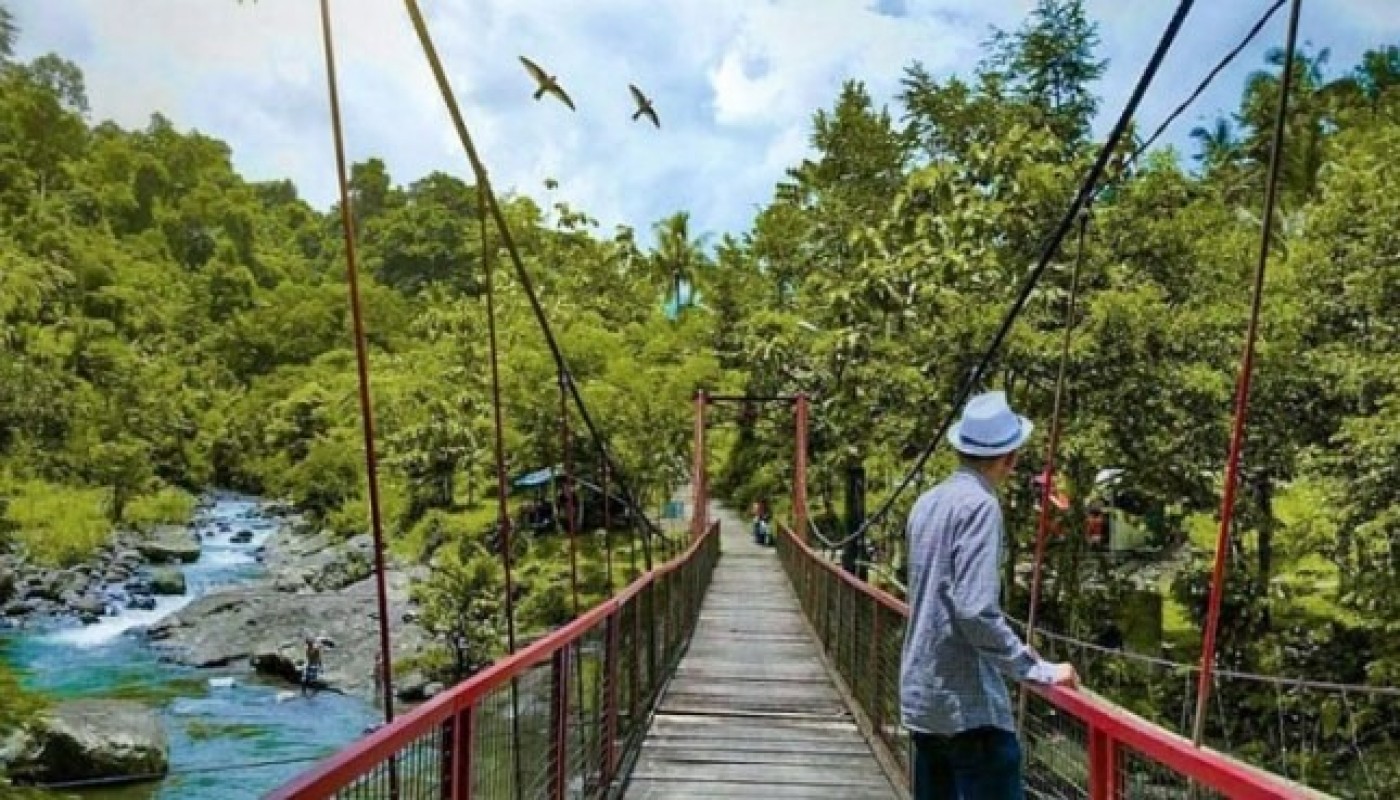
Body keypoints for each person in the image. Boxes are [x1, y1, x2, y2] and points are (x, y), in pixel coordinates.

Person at [900, 391, 1078, 800]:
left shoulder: (925, 503)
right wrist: (1035, 669)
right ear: (1010, 457)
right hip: (969, 711)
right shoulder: (981, 506)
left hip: (922, 699)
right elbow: (974, 608)